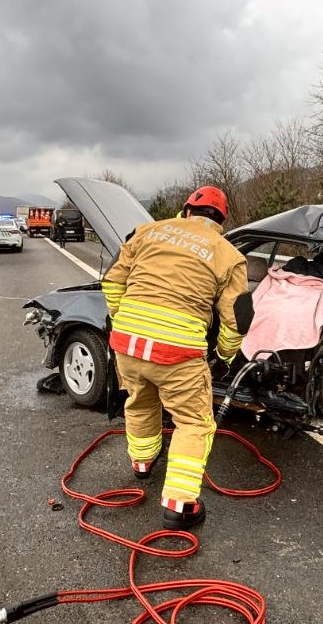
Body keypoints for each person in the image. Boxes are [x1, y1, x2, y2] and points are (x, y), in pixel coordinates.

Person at [100, 186, 247, 528]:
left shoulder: (146, 232)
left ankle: (142, 463)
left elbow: (111, 282)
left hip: (128, 344)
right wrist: (224, 356)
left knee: (139, 401)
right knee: (193, 423)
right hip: (178, 353)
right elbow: (237, 318)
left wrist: (123, 320)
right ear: (221, 220)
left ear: (185, 210)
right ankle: (180, 507)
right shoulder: (227, 254)